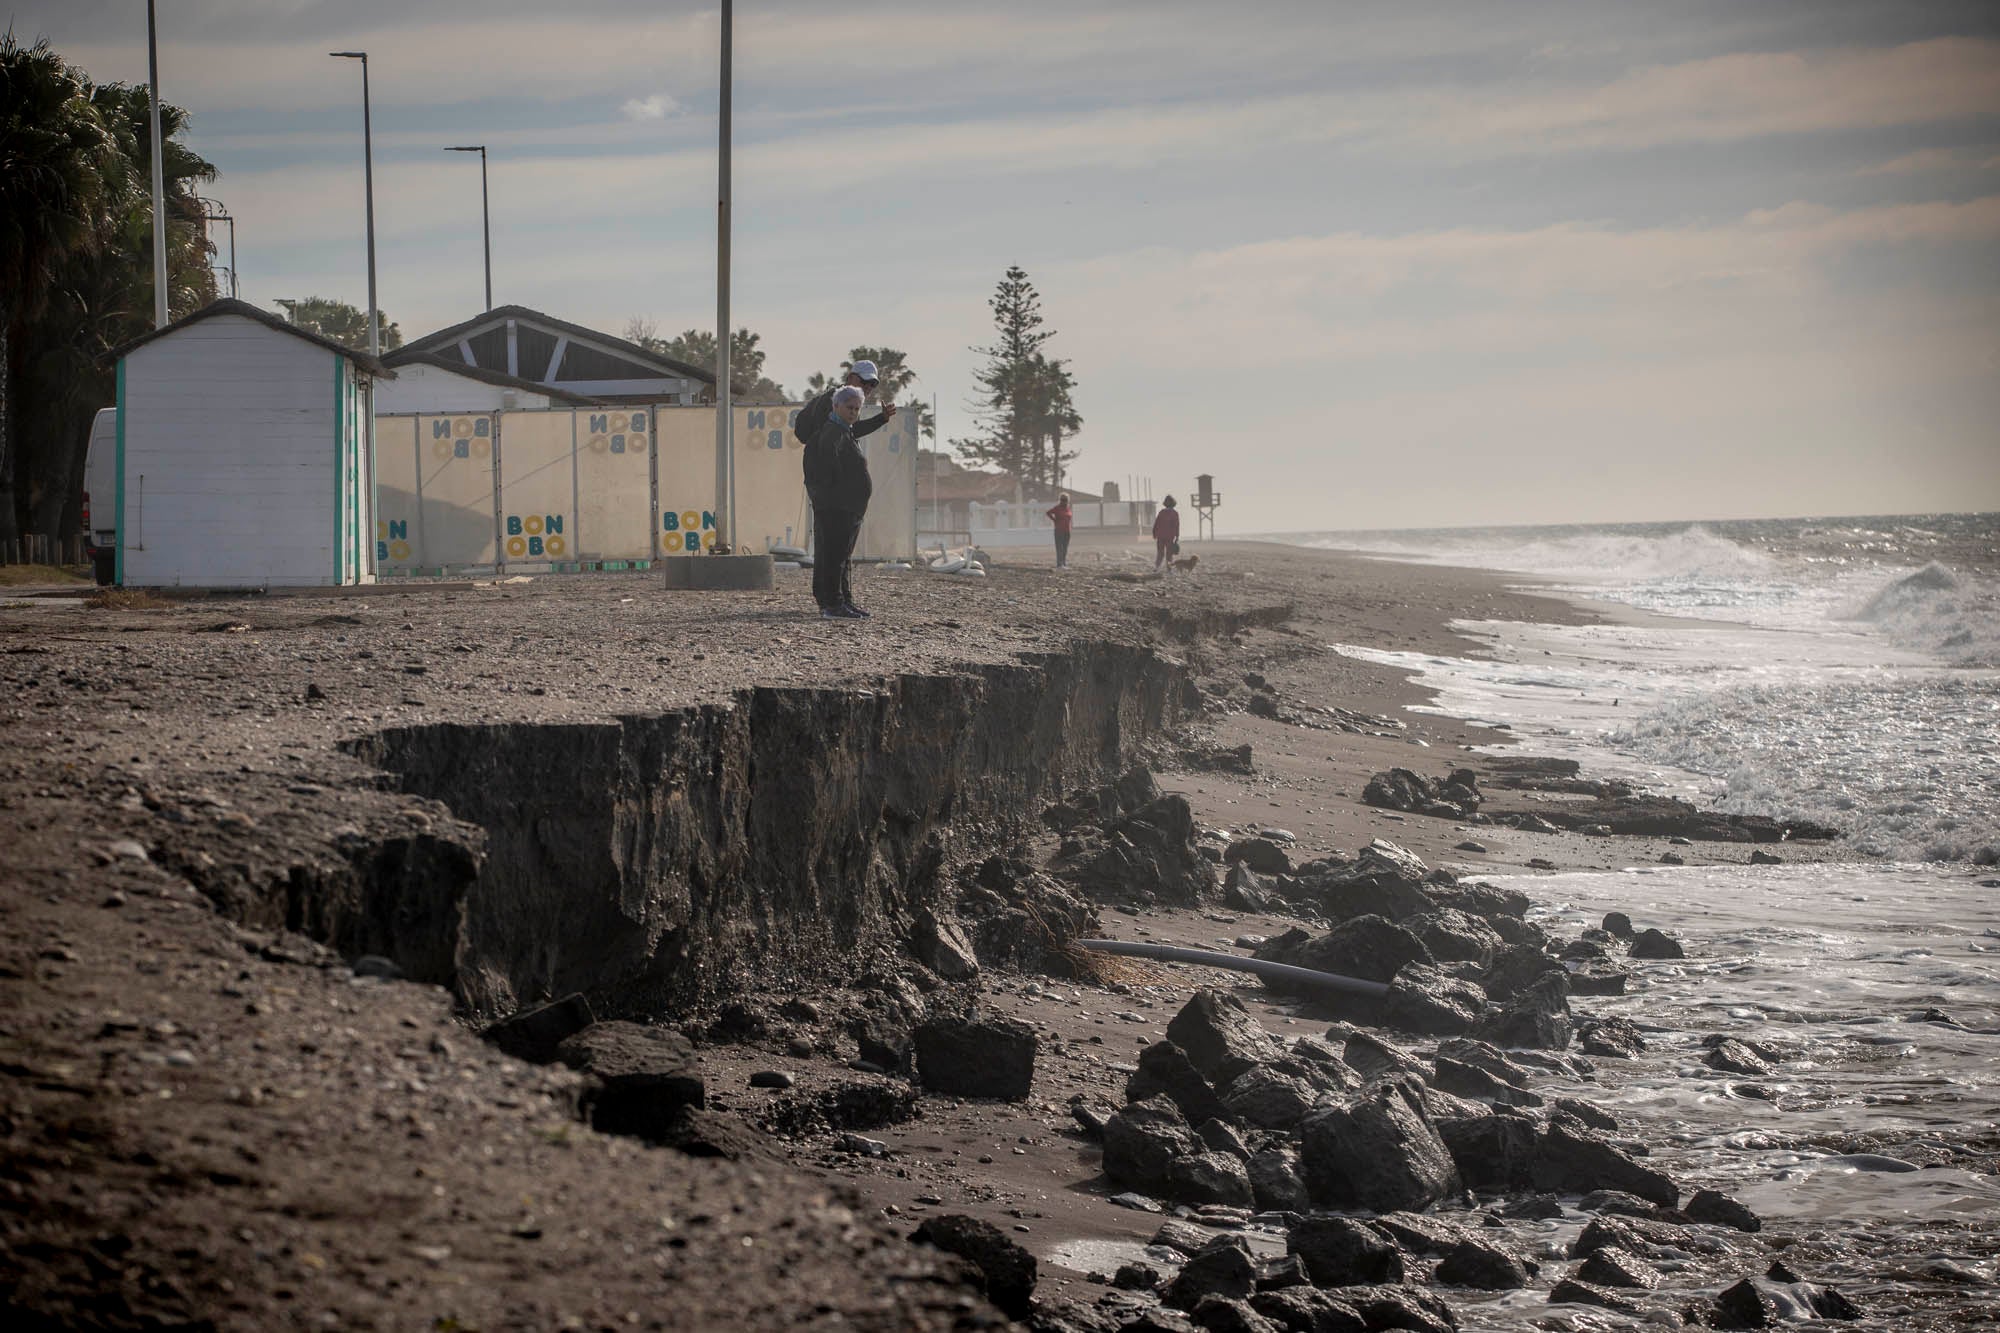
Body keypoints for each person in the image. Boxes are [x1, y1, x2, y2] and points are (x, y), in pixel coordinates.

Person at [803, 386, 874, 619]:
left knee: (840, 557)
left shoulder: (844, 431)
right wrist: (839, 493)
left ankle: (840, 601)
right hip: (838, 507)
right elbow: (828, 465)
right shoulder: (833, 431)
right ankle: (832, 604)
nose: (853, 412)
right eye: (849, 407)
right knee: (834, 557)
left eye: (856, 408)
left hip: (846, 507)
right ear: (836, 406)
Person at [794, 358, 897, 446]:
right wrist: (881, 419)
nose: (868, 387)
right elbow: (852, 431)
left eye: (872, 384)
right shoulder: (836, 399)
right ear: (850, 378)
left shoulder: (848, 400)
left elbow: (849, 432)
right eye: (864, 381)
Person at [1046, 494, 1074, 568]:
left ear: (1068, 501)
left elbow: (1069, 518)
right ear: (1060, 500)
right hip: (1059, 531)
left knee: (1065, 548)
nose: (1064, 502)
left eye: (1065, 500)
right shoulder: (1057, 508)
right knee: (1059, 548)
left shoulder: (1068, 508)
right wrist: (1054, 520)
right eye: (1062, 500)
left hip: (1067, 531)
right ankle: (1059, 564)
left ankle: (1063, 563)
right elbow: (1048, 513)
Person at [1153, 495, 1180, 570]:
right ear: (1173, 504)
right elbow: (1176, 525)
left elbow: (1156, 523)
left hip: (1160, 536)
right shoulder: (1174, 513)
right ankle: (1169, 569)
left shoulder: (1161, 512)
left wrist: (1154, 533)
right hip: (1170, 536)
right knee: (1169, 554)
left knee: (1160, 553)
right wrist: (1177, 536)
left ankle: (1156, 567)